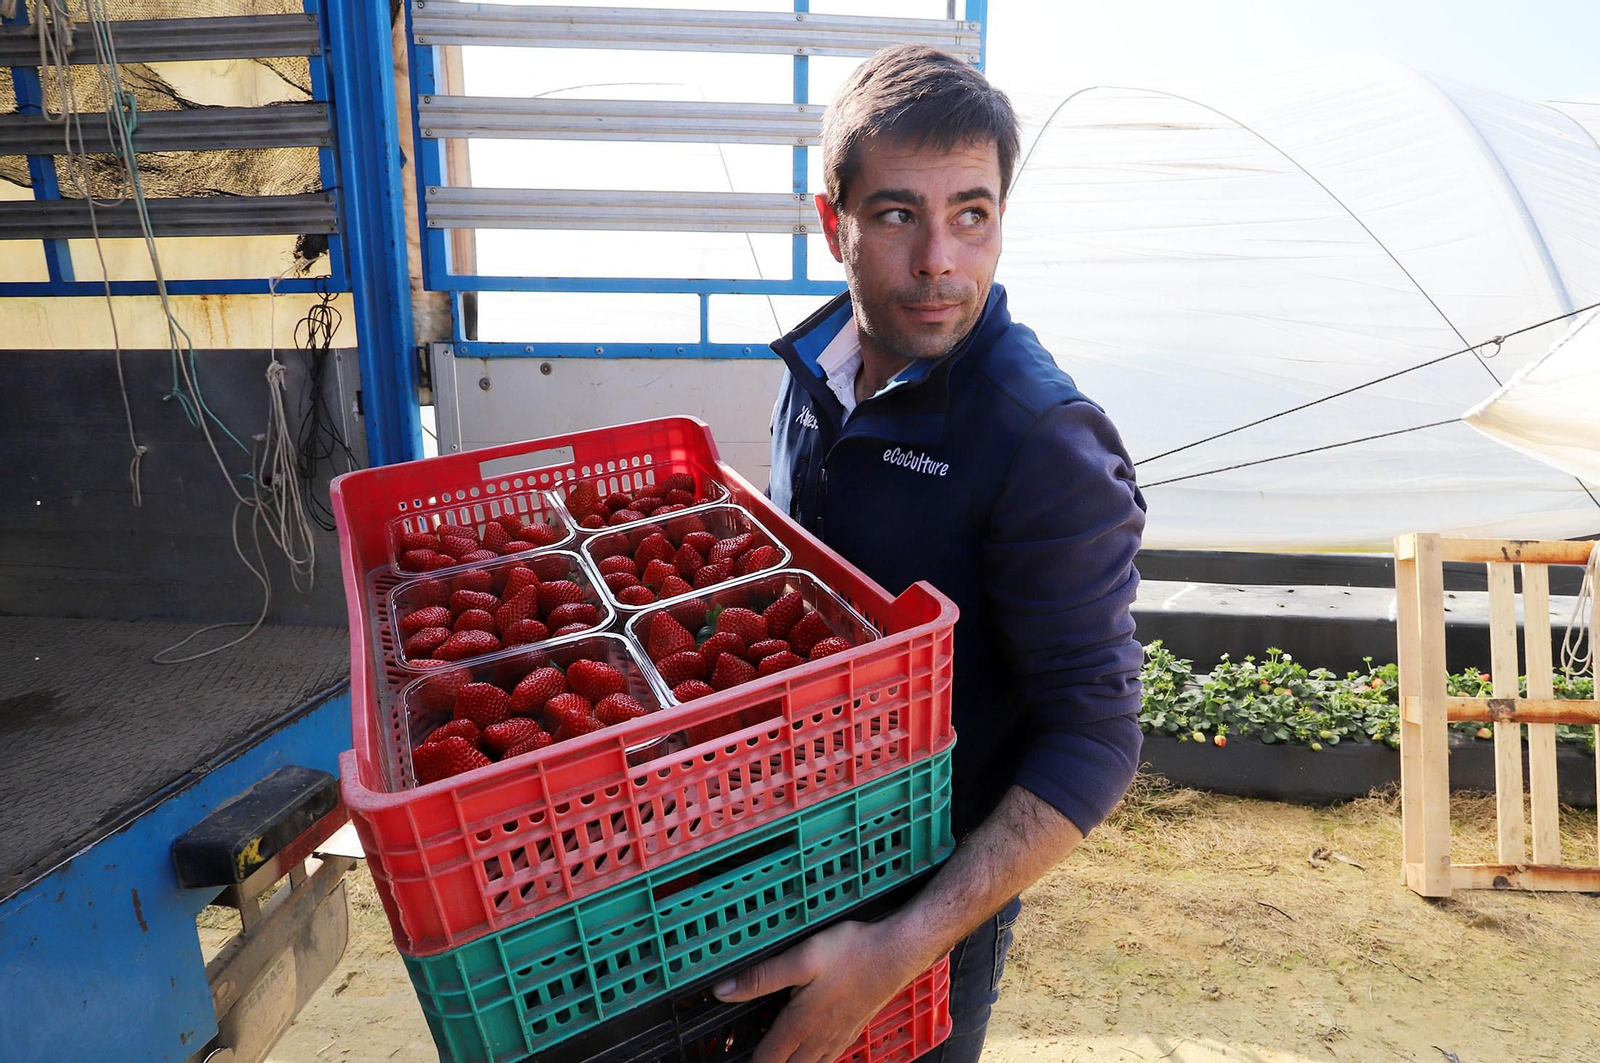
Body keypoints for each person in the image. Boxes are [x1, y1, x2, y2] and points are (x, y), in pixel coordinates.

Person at [710, 44, 1148, 1063]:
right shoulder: (814, 370)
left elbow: (1098, 737)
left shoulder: (1041, 437)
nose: (940, 260)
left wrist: (898, 946)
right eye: (899, 214)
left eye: (972, 214)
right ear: (835, 224)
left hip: (922, 905)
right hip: (779, 852)